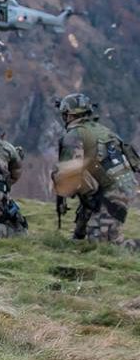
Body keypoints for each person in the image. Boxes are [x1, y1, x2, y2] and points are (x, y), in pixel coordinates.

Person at [52, 93, 139, 249]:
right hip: (122, 186)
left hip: (113, 192)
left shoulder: (74, 134)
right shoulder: (102, 130)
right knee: (89, 235)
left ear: (68, 115)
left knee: (104, 245)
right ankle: (79, 240)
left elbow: (68, 173)